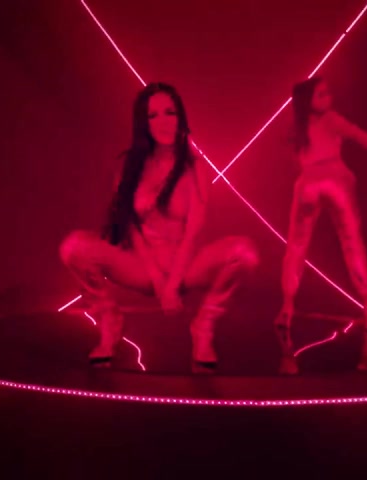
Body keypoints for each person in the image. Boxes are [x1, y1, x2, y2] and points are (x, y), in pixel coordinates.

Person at [59, 82, 260, 374]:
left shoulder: (195, 166)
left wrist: (174, 283)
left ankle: (204, 325)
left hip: (186, 265)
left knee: (245, 253)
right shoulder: (129, 165)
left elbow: (194, 230)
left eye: (170, 112)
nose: (163, 122)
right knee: (74, 247)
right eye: (152, 116)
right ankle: (109, 321)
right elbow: (130, 227)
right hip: (141, 266)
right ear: (143, 123)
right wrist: (157, 279)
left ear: (180, 117)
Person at [275, 77, 367, 373]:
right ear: (310, 100)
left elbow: (292, 160)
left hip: (307, 183)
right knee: (351, 241)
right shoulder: (332, 120)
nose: (329, 97)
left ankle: (287, 306)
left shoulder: (296, 128)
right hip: (335, 177)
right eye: (322, 94)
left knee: (296, 245)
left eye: (328, 93)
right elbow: (363, 137)